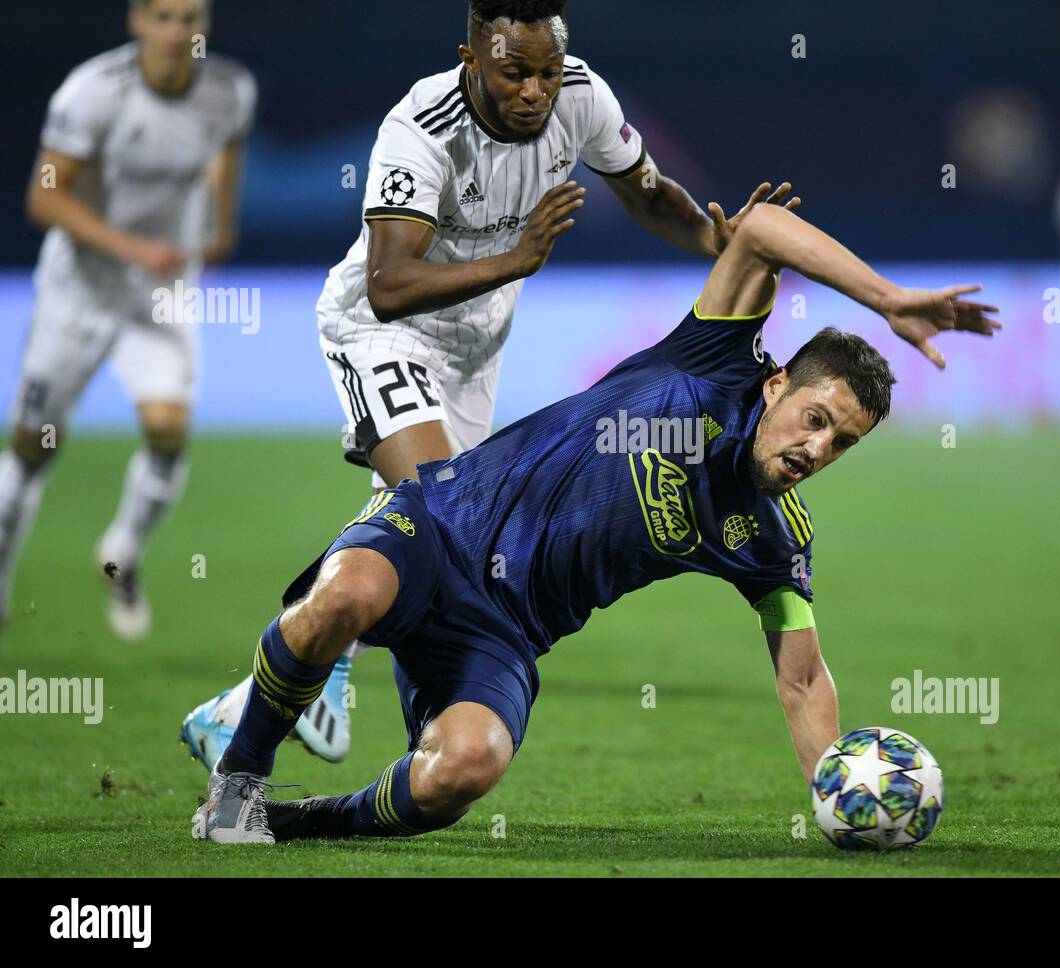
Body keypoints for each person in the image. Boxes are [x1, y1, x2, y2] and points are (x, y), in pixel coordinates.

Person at [191, 199, 999, 844]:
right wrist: (890, 299)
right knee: (345, 595)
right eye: (816, 417)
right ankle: (239, 785)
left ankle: (309, 820)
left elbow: (802, 677)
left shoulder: (774, 540)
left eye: (842, 443)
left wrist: (838, 789)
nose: (818, 447)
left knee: (463, 772)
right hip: (442, 526)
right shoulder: (710, 363)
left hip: (503, 634)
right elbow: (757, 230)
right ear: (779, 382)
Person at [182, 0, 803, 766]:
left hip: (475, 350)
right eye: (516, 72)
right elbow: (389, 283)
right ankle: (311, 682)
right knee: (434, 511)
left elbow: (647, 193)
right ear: (473, 59)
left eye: (547, 71)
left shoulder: (582, 96)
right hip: (383, 330)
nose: (537, 90)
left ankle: (244, 703)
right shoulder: (421, 126)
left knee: (443, 527)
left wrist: (718, 241)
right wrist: (515, 260)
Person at [0, 0, 255, 638]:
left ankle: (123, 550)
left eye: (190, 19)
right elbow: (45, 195)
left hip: (161, 295)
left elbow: (225, 149)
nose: (178, 32)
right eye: (164, 17)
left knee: (168, 432)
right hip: (78, 292)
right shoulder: (92, 92)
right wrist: (135, 247)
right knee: (34, 446)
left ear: (206, 26)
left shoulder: (229, 90)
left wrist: (219, 227)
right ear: (136, 21)